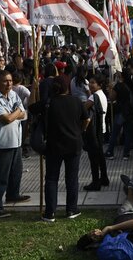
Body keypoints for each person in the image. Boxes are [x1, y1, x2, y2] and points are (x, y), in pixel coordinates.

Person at [31, 75, 89, 222]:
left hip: (53, 146)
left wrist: (34, 89)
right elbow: (86, 118)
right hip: (74, 144)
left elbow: (31, 108)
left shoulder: (47, 103)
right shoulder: (76, 101)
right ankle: (71, 209)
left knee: (51, 179)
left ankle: (50, 212)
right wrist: (80, 131)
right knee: (71, 178)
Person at [0, 70, 29, 218]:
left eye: (10, 80)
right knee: (0, 176)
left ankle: (13, 194)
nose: (9, 84)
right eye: (5, 81)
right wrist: (17, 112)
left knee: (16, 172)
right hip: (2, 144)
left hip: (15, 141)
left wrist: (15, 113)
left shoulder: (13, 95)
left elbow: (24, 114)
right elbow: (7, 119)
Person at [77, 175, 133, 259]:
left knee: (129, 200)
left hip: (123, 214)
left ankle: (131, 188)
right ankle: (131, 188)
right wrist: (110, 228)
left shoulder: (106, 244)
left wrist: (90, 237)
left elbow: (80, 245)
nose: (95, 232)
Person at [82, 73, 109, 191]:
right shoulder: (102, 94)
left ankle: (95, 182)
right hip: (101, 128)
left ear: (99, 84)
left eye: (93, 83)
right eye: (90, 82)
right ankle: (104, 178)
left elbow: (83, 109)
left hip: (93, 130)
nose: (90, 85)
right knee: (100, 155)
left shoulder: (94, 97)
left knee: (93, 157)